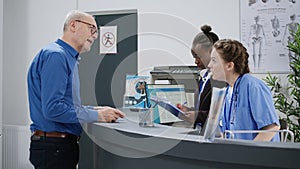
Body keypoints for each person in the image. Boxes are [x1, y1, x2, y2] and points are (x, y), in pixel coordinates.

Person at [27, 10, 125, 169]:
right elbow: (53, 109)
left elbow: (64, 105)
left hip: (58, 146)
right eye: (92, 29)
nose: (94, 36)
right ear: (73, 25)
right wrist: (97, 115)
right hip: (54, 148)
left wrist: (96, 109)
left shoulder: (66, 57)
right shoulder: (56, 56)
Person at [207, 39, 280, 141]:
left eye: (214, 60)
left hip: (258, 155)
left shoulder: (252, 86)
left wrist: (249, 154)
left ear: (229, 66)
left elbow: (271, 128)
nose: (209, 65)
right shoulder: (228, 91)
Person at [176, 25, 220, 130]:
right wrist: (188, 110)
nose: (196, 61)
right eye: (194, 57)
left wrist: (197, 116)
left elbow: (220, 113)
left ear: (212, 53)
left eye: (198, 56)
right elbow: (202, 108)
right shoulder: (204, 77)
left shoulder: (221, 79)